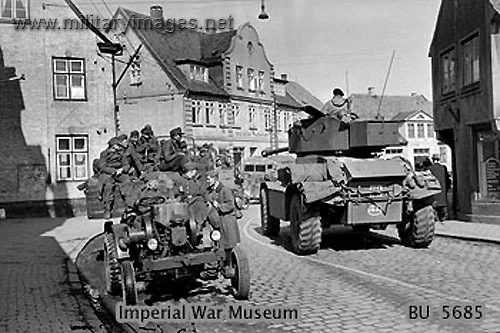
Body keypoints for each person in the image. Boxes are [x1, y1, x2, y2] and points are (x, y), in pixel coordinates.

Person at [206, 170, 241, 278]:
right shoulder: (211, 190)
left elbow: (230, 205)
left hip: (227, 221)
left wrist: (219, 206)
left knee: (229, 246)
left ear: (215, 178)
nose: (208, 181)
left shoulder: (224, 190)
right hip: (217, 221)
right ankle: (218, 268)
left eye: (209, 179)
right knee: (219, 245)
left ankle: (229, 267)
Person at [427, 154, 451, 221]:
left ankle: (435, 216)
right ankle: (444, 215)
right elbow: (447, 178)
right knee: (443, 202)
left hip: (434, 188)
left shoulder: (430, 168)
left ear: (432, 160)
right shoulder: (443, 168)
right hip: (443, 187)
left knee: (434, 202)